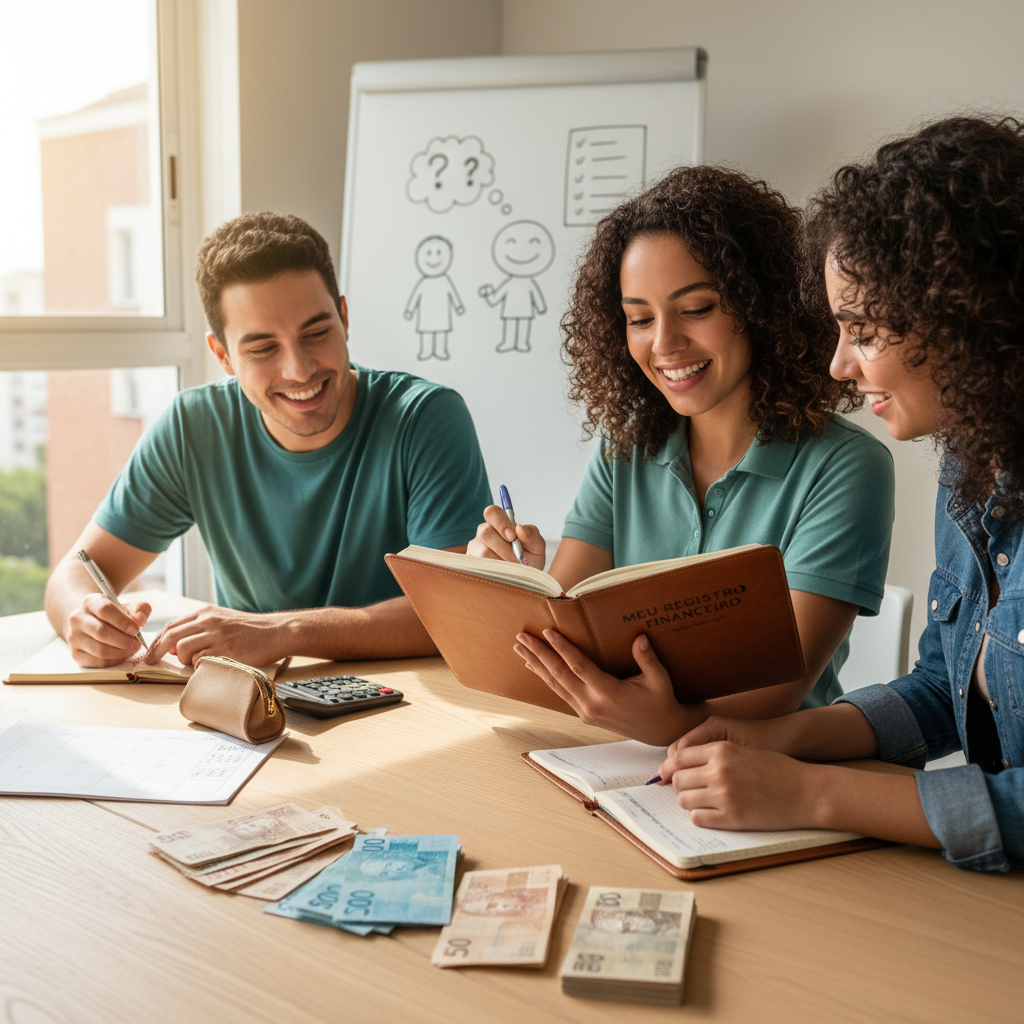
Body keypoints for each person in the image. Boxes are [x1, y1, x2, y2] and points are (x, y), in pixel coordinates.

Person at [657, 116, 1024, 872]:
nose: (838, 366)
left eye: (860, 329)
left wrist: (812, 794)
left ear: (964, 314)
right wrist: (785, 737)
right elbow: (939, 689)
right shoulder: (971, 469)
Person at [470, 166, 895, 744]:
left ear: (760, 306)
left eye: (695, 308)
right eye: (639, 318)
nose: (663, 344)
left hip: (769, 775)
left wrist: (669, 724)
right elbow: (566, 636)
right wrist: (515, 591)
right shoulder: (624, 446)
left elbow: (777, 689)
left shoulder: (847, 466)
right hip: (622, 759)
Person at [45, 212, 491, 669]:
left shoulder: (426, 417)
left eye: (317, 333)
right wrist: (84, 617)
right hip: (256, 713)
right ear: (223, 356)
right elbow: (75, 574)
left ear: (344, 317)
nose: (299, 370)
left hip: (408, 706)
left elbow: (455, 613)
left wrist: (282, 632)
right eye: (262, 349)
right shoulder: (192, 427)